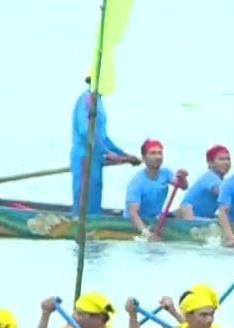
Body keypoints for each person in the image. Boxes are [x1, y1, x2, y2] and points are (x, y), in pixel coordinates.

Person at [69, 81, 139, 215]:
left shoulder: (98, 101)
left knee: (94, 195)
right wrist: (107, 152)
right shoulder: (86, 99)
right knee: (84, 198)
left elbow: (103, 137)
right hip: (85, 156)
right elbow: (86, 131)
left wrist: (124, 154)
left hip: (96, 158)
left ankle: (94, 223)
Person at [124, 139, 185, 237]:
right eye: (153, 153)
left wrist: (183, 177)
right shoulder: (136, 182)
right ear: (144, 158)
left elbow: (182, 186)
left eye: (160, 153)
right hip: (135, 222)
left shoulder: (166, 173)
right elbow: (133, 213)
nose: (158, 157)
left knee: (183, 210)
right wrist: (145, 233)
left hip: (155, 219)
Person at [177, 144, 231, 220]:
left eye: (228, 159)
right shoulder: (210, 177)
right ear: (210, 163)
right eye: (221, 159)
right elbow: (221, 193)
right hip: (189, 219)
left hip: (204, 218)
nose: (226, 163)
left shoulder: (222, 181)